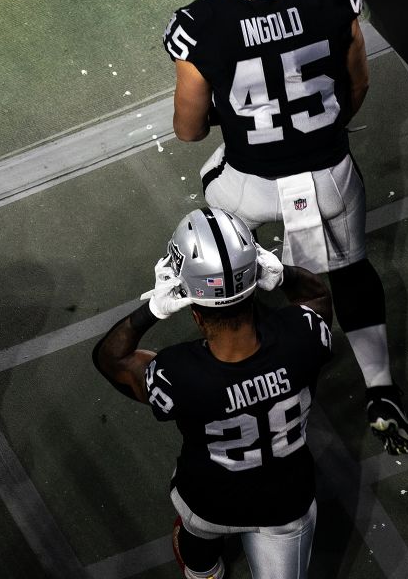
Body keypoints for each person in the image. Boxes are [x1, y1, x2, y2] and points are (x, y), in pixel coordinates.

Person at [162, 0, 408, 455]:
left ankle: (249, 351)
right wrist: (321, 131)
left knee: (215, 224)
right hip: (330, 174)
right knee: (352, 269)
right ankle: (381, 390)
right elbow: (358, 83)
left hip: (250, 187)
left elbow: (187, 128)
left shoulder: (197, 24)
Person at [94, 207, 334, 579]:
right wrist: (284, 275)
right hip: (286, 502)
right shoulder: (301, 335)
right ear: (256, 287)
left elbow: (112, 359)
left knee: (199, 554)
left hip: (209, 499)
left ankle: (205, 571)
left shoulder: (179, 372)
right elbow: (318, 301)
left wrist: (153, 310)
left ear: (195, 314)